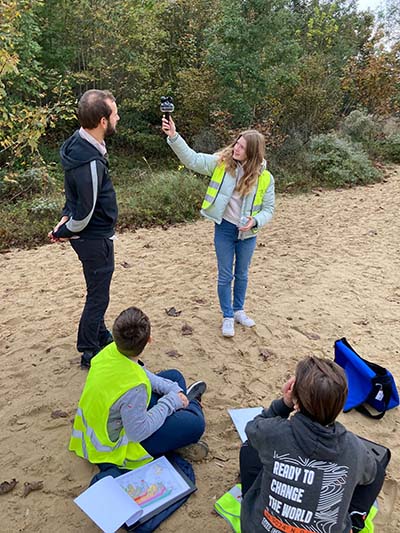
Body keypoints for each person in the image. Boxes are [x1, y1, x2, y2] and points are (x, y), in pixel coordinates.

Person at [239, 356, 387, 533]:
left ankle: (252, 505)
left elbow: (253, 427)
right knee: (376, 470)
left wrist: (284, 404)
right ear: (341, 406)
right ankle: (355, 521)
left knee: (250, 448)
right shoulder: (354, 448)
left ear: (296, 400)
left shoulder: (274, 433)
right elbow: (372, 475)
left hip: (258, 528)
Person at [162, 117, 275, 338]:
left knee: (242, 274)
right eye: (237, 143)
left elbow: (269, 209)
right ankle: (227, 316)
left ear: (252, 152)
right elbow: (193, 160)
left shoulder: (265, 178)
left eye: (242, 147)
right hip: (224, 229)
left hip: (248, 233)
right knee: (225, 275)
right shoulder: (222, 163)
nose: (236, 148)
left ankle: (239, 310)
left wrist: (255, 221)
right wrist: (174, 137)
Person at [69, 306, 207, 470]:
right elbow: (137, 432)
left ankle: (182, 410)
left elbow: (142, 373)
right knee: (196, 424)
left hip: (108, 420)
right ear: (149, 340)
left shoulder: (109, 350)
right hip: (116, 446)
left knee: (174, 377)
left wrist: (172, 390)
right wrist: (171, 402)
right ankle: (192, 404)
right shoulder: (136, 386)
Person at [49, 89, 119, 368]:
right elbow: (86, 210)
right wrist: (64, 231)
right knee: (98, 295)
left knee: (97, 290)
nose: (118, 117)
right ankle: (90, 349)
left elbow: (73, 198)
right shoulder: (88, 159)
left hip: (89, 233)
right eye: (114, 113)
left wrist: (64, 221)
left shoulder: (79, 143)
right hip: (94, 237)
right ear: (103, 121)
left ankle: (98, 333)